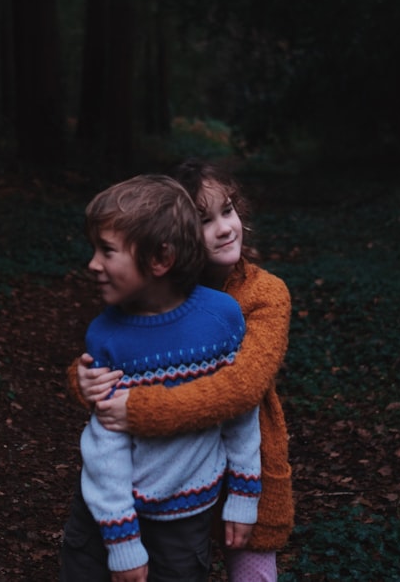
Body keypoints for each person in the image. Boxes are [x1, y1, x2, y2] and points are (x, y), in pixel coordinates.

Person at [72, 159, 293, 582]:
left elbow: (242, 388)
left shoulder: (263, 293)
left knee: (251, 573)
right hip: (169, 477)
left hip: (246, 467)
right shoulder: (150, 293)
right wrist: (83, 378)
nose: (224, 227)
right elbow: (121, 349)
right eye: (204, 220)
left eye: (227, 211)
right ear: (169, 241)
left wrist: (138, 409)